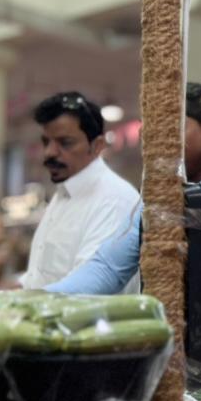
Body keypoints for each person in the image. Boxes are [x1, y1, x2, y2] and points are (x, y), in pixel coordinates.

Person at [49, 83, 201, 347]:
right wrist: (43, 302)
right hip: (161, 356)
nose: (161, 143)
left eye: (173, 129)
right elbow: (108, 267)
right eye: (154, 132)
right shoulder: (155, 203)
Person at [21, 92, 139, 290]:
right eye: (46, 142)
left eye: (65, 143)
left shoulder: (113, 201)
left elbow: (87, 293)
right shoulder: (64, 192)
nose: (49, 152)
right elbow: (42, 274)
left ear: (97, 145)